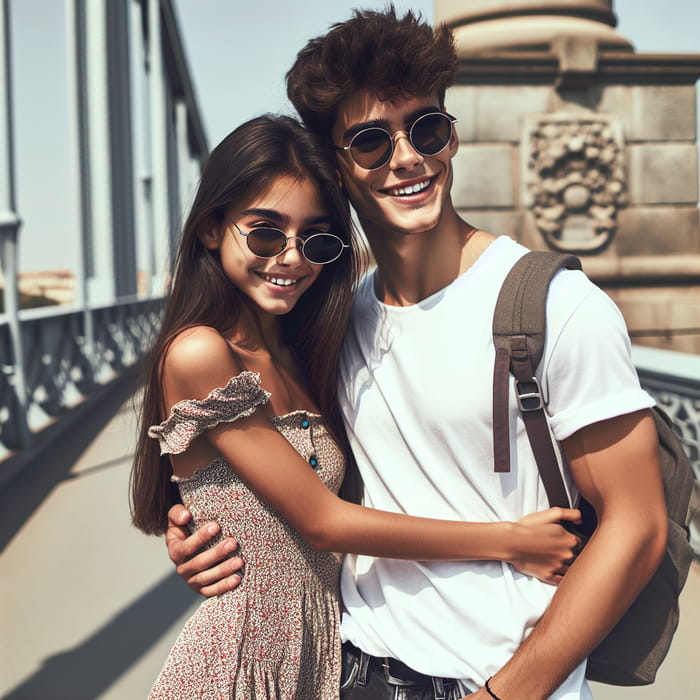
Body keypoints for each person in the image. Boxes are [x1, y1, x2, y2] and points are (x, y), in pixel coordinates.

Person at [165, 8, 668, 699]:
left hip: (497, 681)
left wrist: (504, 694)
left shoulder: (557, 308)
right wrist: (206, 526)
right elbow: (302, 481)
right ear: (334, 168)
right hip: (354, 670)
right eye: (371, 142)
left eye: (427, 128)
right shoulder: (332, 324)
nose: (408, 157)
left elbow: (637, 528)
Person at [131, 113, 583, 700]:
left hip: (321, 649)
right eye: (265, 233)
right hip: (242, 659)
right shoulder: (201, 353)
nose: (291, 258)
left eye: (315, 239)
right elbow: (323, 523)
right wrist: (511, 540)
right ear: (213, 229)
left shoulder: (302, 351)